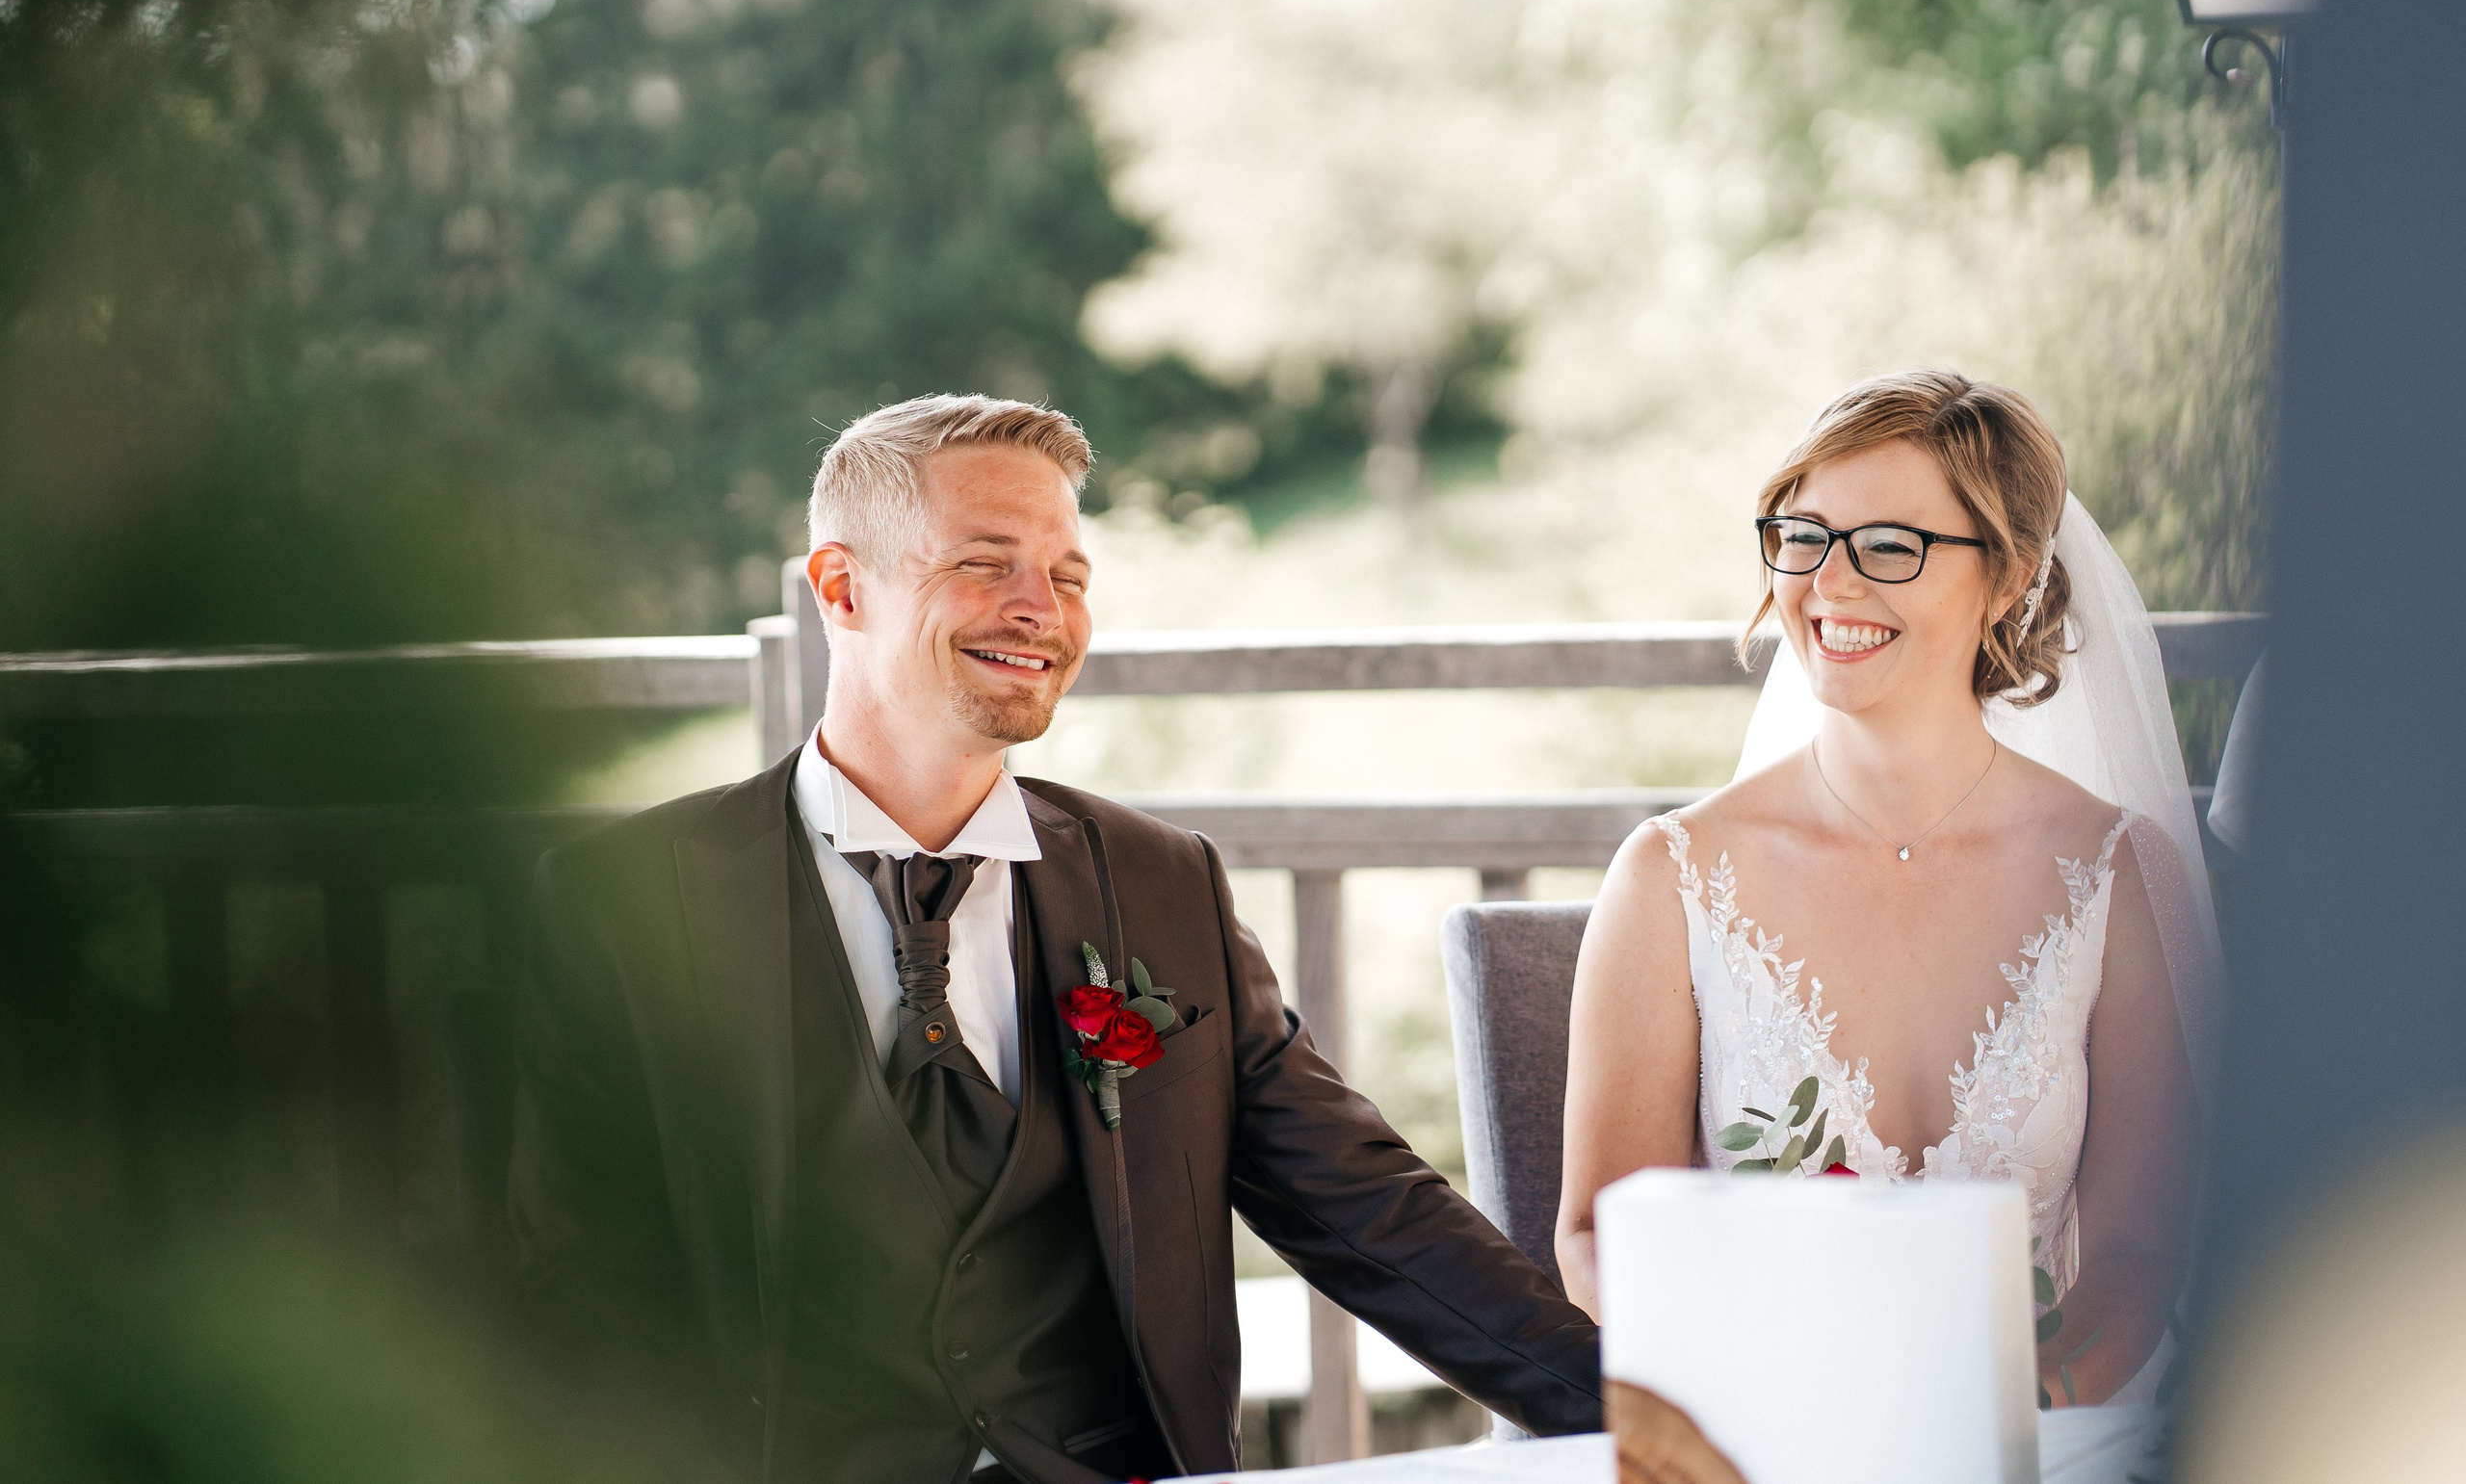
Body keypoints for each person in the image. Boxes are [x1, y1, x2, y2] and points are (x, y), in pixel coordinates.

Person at [508, 395, 1733, 1484]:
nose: (1040, 610)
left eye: (1069, 574)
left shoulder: (1159, 884)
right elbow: (568, 1295)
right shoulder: (625, 904)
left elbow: (1366, 1209)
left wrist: (1636, 1416)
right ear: (841, 589)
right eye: (985, 564)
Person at [1558, 372, 2221, 1432]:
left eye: (1889, 546)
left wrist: (2009, 1415)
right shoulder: (1668, 878)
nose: (1831, 583)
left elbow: (2138, 1253)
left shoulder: (2117, 873)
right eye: (1805, 537)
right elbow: (1599, 1234)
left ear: (2008, 576)